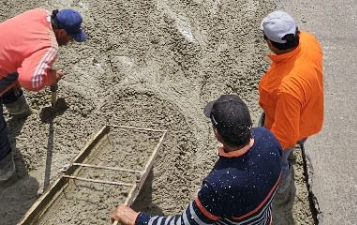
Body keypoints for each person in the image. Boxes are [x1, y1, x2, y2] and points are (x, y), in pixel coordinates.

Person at [0, 8, 89, 183]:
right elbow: (30, 80)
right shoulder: (49, 46)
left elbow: (22, 51)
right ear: (61, 32)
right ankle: (4, 174)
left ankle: (19, 112)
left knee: (13, 67)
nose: (70, 42)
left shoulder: (39, 14)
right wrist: (51, 77)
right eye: (70, 38)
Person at [110, 94, 283, 225]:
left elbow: (184, 224)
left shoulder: (219, 186)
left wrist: (136, 218)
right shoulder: (269, 139)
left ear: (217, 133)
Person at [257, 10, 324, 206]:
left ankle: (280, 194)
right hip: (309, 112)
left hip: (288, 123)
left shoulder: (285, 88)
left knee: (278, 162)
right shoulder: (309, 41)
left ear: (271, 43)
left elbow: (284, 136)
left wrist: (265, 150)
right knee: (295, 141)